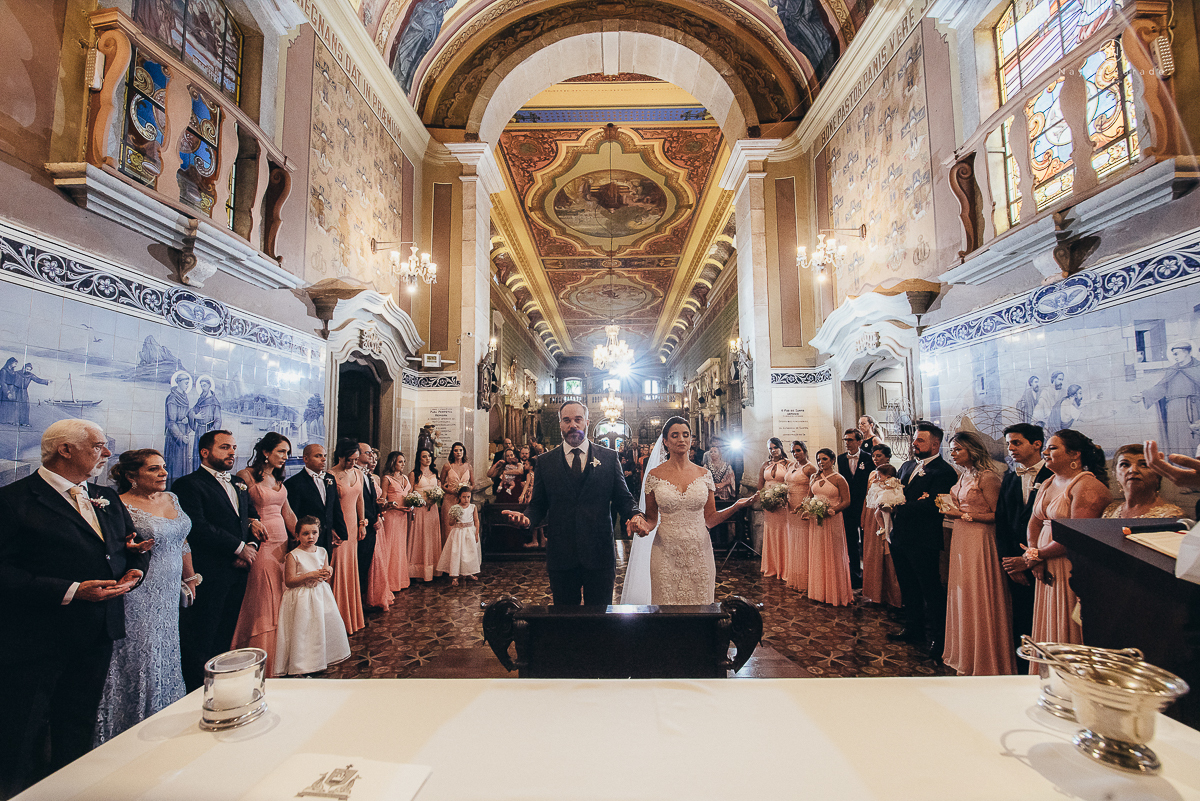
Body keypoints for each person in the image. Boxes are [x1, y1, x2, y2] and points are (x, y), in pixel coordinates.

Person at [0, 420, 146, 797]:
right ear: (65, 450)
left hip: (97, 628)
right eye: (99, 445)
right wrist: (70, 590)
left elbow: (124, 546)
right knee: (23, 731)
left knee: (77, 722)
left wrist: (133, 569)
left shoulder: (106, 498)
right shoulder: (14, 501)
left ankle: (71, 790)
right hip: (37, 636)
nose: (108, 453)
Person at [502, 401, 649, 605]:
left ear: (587, 422)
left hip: (599, 554)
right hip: (562, 555)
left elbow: (624, 498)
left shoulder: (608, 458)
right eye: (567, 420)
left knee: (599, 621)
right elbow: (538, 505)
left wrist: (635, 515)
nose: (573, 425)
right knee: (564, 622)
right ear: (560, 424)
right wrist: (526, 519)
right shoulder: (545, 462)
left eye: (578, 419)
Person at [95, 449, 191, 745]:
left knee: (166, 647)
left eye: (162, 467)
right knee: (140, 651)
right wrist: (130, 549)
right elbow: (112, 549)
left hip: (170, 589)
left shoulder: (171, 498)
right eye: (153, 469)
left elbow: (182, 540)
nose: (163, 473)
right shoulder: (119, 505)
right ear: (130, 476)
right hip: (141, 589)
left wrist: (190, 576)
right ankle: (129, 725)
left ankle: (165, 719)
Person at [628, 417, 755, 604]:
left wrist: (736, 506)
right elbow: (652, 519)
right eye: (675, 435)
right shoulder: (654, 476)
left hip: (699, 551)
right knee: (667, 608)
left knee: (701, 607)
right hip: (665, 552)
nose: (681, 439)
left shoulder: (704, 475)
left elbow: (710, 518)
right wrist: (640, 523)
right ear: (665, 441)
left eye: (685, 435)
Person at [175, 429, 263, 691]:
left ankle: (220, 685)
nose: (232, 453)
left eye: (234, 448)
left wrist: (250, 546)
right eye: (225, 447)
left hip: (239, 569)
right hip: (210, 569)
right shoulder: (188, 484)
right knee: (203, 632)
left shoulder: (238, 483)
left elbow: (251, 518)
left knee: (226, 628)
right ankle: (196, 689)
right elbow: (197, 527)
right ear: (205, 452)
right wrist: (238, 548)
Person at [1025, 429, 1111, 652]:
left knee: (1065, 620)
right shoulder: (1048, 482)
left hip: (1068, 563)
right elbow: (1034, 522)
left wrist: (1037, 555)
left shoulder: (1085, 485)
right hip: (1044, 562)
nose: (1045, 452)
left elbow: (1076, 535)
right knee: (1048, 620)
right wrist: (1034, 553)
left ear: (1075, 455)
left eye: (1052, 448)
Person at [941, 431, 1015, 676]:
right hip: (962, 536)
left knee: (978, 591)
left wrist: (963, 515)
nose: (953, 454)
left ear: (972, 450)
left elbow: (997, 515)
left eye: (957, 449)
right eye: (951, 450)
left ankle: (986, 656)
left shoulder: (988, 477)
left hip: (981, 538)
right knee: (963, 591)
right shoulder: (963, 476)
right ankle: (966, 651)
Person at [889, 422, 958, 659]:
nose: (914, 444)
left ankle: (939, 637)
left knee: (930, 588)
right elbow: (896, 489)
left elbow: (933, 505)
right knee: (908, 585)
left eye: (920, 440)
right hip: (900, 536)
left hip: (923, 538)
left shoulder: (944, 471)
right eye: (915, 440)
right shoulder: (908, 466)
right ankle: (913, 627)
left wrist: (902, 505)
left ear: (935, 444)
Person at [231, 433, 297, 675]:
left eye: (287, 453)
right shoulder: (245, 476)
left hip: (282, 545)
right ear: (266, 452)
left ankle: (281, 655)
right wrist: (250, 521)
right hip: (261, 545)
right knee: (262, 599)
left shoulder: (279, 479)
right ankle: (259, 655)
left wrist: (303, 540)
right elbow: (237, 510)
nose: (285, 457)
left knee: (281, 596)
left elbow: (288, 514)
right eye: (281, 451)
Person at [995, 423, 1052, 671]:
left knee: (1048, 621)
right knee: (1021, 620)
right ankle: (1022, 671)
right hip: (1015, 564)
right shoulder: (1009, 477)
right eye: (1009, 443)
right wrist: (1010, 562)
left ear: (1037, 444)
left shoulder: (1052, 476)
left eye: (1016, 442)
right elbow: (1003, 522)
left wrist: (1030, 558)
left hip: (1048, 561)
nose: (1011, 448)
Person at [275, 517, 350, 676]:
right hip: (302, 597)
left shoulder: (322, 551)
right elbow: (289, 581)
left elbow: (324, 572)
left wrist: (327, 571)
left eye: (314, 533)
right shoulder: (293, 555)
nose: (310, 537)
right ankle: (301, 665)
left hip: (319, 594)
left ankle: (321, 658)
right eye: (305, 533)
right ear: (297, 536)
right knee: (303, 630)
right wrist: (310, 575)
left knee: (319, 627)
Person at [805, 448, 854, 606]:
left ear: (832, 460)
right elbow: (809, 497)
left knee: (832, 552)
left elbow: (846, 501)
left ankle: (834, 592)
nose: (820, 462)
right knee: (818, 552)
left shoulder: (839, 479)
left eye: (824, 459)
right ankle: (818, 591)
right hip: (816, 519)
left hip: (832, 519)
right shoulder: (814, 477)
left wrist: (832, 510)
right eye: (818, 459)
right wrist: (806, 509)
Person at [1133, 342, 1200, 455]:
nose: (1175, 357)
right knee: (1175, 440)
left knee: (1191, 440)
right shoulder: (1172, 370)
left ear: (1186, 352)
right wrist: (1143, 395)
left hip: (1192, 410)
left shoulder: (1197, 368)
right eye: (1173, 354)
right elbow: (1161, 388)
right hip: (1173, 411)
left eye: (1177, 354)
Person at [328, 439, 366, 635]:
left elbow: (360, 500)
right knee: (338, 567)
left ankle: (352, 616)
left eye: (356, 459)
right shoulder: (330, 475)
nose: (353, 463)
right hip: (339, 527)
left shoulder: (358, 473)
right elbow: (329, 506)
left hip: (354, 526)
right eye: (350, 459)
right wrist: (333, 528)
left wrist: (362, 523)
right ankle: (336, 620)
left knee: (351, 567)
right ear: (340, 456)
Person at [284, 443, 348, 554]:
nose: (323, 459)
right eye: (318, 456)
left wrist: (339, 531)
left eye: (324, 455)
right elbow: (293, 512)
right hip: (307, 538)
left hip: (327, 536)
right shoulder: (294, 483)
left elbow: (335, 507)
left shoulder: (330, 479)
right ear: (306, 459)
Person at [368, 452, 412, 610]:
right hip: (392, 516)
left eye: (404, 461)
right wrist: (397, 506)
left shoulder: (405, 478)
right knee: (390, 547)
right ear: (393, 462)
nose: (402, 464)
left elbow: (408, 495)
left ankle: (400, 580)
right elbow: (383, 499)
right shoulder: (386, 479)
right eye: (400, 461)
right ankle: (389, 582)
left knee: (400, 547)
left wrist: (412, 504)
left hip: (402, 516)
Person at [861, 444, 902, 607]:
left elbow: (895, 496)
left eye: (879, 456)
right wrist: (863, 516)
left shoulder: (892, 474)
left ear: (887, 457)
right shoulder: (872, 474)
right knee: (872, 554)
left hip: (885, 515)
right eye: (873, 456)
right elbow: (867, 496)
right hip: (871, 515)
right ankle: (875, 594)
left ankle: (893, 595)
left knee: (887, 554)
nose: (875, 459)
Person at [1103, 444, 1185, 519]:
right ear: (1115, 473)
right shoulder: (1110, 511)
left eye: (1144, 465)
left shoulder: (1171, 515)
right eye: (1125, 464)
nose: (1133, 470)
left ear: (1158, 474)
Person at [838, 428, 870, 588]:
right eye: (846, 440)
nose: (847, 443)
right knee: (851, 541)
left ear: (859, 442)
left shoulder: (868, 459)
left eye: (850, 440)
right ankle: (855, 575)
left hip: (865, 505)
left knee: (867, 542)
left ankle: (870, 576)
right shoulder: (840, 459)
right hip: (848, 507)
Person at [783, 441, 816, 593]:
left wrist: (805, 505)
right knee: (793, 539)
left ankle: (806, 576)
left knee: (803, 540)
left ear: (804, 450)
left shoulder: (810, 468)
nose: (795, 454)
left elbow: (813, 490)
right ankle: (794, 573)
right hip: (789, 506)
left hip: (802, 506)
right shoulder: (791, 466)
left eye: (798, 450)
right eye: (793, 451)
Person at [757, 437, 790, 578]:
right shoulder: (765, 465)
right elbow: (760, 484)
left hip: (782, 504)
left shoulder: (788, 464)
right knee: (770, 532)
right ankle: (771, 566)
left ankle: (784, 567)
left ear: (781, 447)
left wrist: (781, 498)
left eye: (775, 447)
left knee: (783, 532)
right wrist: (764, 499)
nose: (773, 450)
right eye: (770, 448)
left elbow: (791, 483)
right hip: (768, 504)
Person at [409, 447, 443, 582]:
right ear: (419, 459)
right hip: (419, 509)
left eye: (429, 456)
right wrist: (418, 500)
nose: (427, 458)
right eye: (424, 456)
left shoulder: (435, 472)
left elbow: (439, 489)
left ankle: (433, 569)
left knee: (431, 536)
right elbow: (410, 492)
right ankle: (418, 571)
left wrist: (436, 497)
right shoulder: (414, 474)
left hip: (432, 509)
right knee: (420, 537)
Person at [437, 487, 481, 585]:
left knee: (469, 553)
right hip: (458, 533)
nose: (466, 499)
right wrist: (454, 517)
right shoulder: (455, 507)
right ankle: (455, 576)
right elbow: (451, 523)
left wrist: (476, 533)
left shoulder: (473, 507)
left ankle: (469, 572)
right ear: (459, 497)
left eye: (468, 497)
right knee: (457, 553)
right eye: (464, 497)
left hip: (469, 532)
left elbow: (476, 520)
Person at [357, 442, 381, 598]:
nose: (372, 455)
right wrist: (371, 520)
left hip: (372, 524)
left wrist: (378, 514)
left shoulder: (368, 475)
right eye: (368, 453)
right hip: (362, 524)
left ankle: (363, 600)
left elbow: (372, 500)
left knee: (365, 564)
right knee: (359, 564)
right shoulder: (355, 473)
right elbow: (359, 502)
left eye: (372, 452)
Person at [708, 441, 740, 548]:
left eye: (715, 451)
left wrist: (723, 484)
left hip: (724, 494)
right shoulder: (706, 466)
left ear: (719, 453)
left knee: (724, 517)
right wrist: (714, 485)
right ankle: (714, 542)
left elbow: (731, 479)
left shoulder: (727, 466)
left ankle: (725, 541)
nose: (713, 453)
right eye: (711, 452)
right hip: (712, 495)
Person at [439, 442, 473, 538]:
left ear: (464, 452)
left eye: (460, 450)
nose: (458, 452)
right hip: (449, 499)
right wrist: (449, 491)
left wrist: (466, 491)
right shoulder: (447, 466)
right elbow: (440, 484)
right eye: (456, 450)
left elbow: (473, 484)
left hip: (464, 500)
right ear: (452, 452)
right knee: (449, 526)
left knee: (462, 526)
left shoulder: (468, 466)